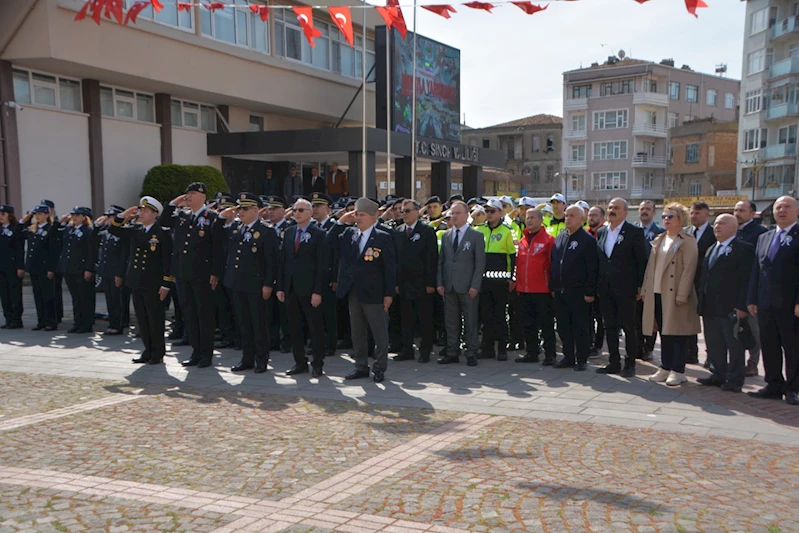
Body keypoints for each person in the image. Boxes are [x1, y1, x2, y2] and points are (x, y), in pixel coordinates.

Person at [327, 198, 396, 383]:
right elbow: (328, 242)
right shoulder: (349, 234)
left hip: (375, 292)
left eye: (362, 215)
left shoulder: (383, 237)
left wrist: (389, 294)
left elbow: (390, 268)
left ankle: (379, 367)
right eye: (356, 214)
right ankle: (360, 366)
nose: (358, 218)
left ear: (373, 217)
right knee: (357, 332)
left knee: (379, 332)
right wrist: (340, 222)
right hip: (354, 291)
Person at [159, 182, 223, 369]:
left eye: (193, 193)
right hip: (183, 273)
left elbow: (217, 248)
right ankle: (196, 351)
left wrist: (215, 273)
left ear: (203, 196)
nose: (188, 196)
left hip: (202, 274)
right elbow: (163, 221)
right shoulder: (182, 216)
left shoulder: (211, 217)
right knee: (189, 313)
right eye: (187, 193)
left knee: (204, 315)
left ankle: (206, 354)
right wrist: (173, 203)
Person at [746, 196, 799, 405]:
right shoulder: (765, 237)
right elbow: (756, 270)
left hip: (790, 304)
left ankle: (794, 388)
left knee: (793, 347)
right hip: (765, 303)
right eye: (778, 207)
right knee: (769, 346)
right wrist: (752, 298)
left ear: (797, 211)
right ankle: (774, 384)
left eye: (787, 207)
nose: (782, 210)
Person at [217, 193, 278, 374]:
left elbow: (271, 261)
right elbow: (216, 233)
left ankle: (261, 359)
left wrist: (268, 284)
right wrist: (221, 217)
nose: (240, 212)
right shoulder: (236, 228)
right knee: (243, 323)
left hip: (256, 284)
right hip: (237, 283)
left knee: (258, 323)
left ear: (256, 210)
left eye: (245, 208)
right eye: (239, 208)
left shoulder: (266, 231)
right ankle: (247, 358)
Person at [642, 202, 701, 387]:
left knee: (678, 333)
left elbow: (689, 269)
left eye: (670, 216)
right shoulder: (660, 238)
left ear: (681, 219)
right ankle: (665, 367)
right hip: (657, 291)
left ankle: (678, 370)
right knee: (664, 331)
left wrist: (682, 294)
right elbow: (650, 267)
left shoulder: (687, 240)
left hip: (675, 293)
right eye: (664, 216)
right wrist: (645, 289)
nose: (666, 219)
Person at [109, 198, 173, 364]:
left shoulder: (162, 232)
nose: (141, 213)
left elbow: (168, 261)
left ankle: (157, 353)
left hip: (154, 283)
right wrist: (124, 215)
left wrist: (166, 284)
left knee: (155, 319)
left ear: (155, 214)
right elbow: (113, 229)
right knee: (142, 319)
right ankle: (147, 350)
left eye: (146, 211)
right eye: (141, 210)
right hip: (136, 281)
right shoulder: (136, 230)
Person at [697, 214, 754, 393]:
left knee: (734, 345)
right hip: (710, 306)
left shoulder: (743, 248)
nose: (717, 226)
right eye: (715, 223)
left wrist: (742, 306)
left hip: (730, 307)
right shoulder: (712, 248)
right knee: (714, 343)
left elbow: (746, 279)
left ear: (733, 227)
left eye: (721, 223)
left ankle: (735, 379)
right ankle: (718, 374)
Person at [594, 198, 649, 377]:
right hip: (606, 288)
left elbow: (641, 260)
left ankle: (630, 364)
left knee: (629, 327)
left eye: (616, 208)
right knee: (609, 326)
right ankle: (614, 362)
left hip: (626, 288)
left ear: (625, 212)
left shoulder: (634, 232)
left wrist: (640, 285)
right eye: (610, 207)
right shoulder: (602, 232)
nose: (612, 210)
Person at [277, 198, 328, 377]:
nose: (296, 213)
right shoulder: (289, 232)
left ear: (310, 212)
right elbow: (283, 261)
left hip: (310, 289)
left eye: (301, 210)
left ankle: (318, 363)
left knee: (315, 327)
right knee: (294, 327)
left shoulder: (319, 234)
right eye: (294, 210)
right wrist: (281, 286)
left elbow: (322, 265)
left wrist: (318, 291)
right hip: (291, 288)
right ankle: (300, 362)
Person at [549, 205, 598, 371]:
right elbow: (554, 262)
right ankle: (568, 356)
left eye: (572, 215)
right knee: (563, 326)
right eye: (566, 215)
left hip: (578, 292)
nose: (568, 218)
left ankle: (581, 359)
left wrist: (590, 291)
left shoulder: (587, 240)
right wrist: (553, 286)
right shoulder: (560, 237)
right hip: (560, 291)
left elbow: (592, 268)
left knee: (580, 327)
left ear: (582, 219)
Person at [436, 202, 486, 367]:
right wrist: (440, 283)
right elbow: (441, 261)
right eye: (453, 213)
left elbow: (479, 264)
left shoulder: (476, 236)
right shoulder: (446, 235)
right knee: (451, 322)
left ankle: (471, 352)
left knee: (470, 321)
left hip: (468, 286)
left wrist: (475, 285)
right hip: (449, 285)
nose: (454, 216)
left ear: (466, 215)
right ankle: (452, 352)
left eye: (458, 213)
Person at [393, 199, 439, 363]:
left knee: (425, 319)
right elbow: (396, 259)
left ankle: (425, 350)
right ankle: (407, 350)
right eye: (402, 211)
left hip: (422, 283)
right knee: (406, 319)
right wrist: (396, 283)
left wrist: (430, 283)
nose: (404, 214)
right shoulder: (398, 231)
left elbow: (432, 258)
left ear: (417, 212)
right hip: (405, 283)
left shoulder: (426, 231)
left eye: (407, 211)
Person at [512, 209, 556, 364]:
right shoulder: (522, 240)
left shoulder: (549, 240)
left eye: (532, 217)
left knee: (546, 324)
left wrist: (552, 286)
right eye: (527, 217)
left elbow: (552, 265)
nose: (529, 220)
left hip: (542, 289)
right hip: (524, 289)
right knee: (527, 323)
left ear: (540, 220)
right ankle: (532, 352)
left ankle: (550, 354)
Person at [475, 198, 516, 361]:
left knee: (499, 316)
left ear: (500, 212)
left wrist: (513, 278)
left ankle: (502, 349)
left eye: (492, 211)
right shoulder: (479, 230)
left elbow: (514, 257)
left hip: (500, 282)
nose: (489, 214)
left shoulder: (508, 231)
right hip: (483, 281)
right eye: (487, 211)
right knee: (486, 316)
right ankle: (487, 348)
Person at [734, 199, 768, 378]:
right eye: (736, 210)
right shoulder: (732, 230)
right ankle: (735, 362)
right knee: (735, 329)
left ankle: (753, 363)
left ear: (752, 213)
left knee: (754, 330)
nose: (737, 213)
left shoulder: (760, 233)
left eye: (742, 210)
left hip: (751, 288)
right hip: (733, 288)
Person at [58, 207, 96, 334]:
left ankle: (86, 324)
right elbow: (56, 236)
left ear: (84, 217)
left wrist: (89, 269)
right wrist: (61, 222)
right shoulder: (69, 229)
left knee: (85, 297)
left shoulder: (88, 230)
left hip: (82, 268)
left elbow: (91, 252)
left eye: (78, 215)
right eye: (73, 215)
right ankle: (78, 322)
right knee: (76, 298)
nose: (74, 217)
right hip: (70, 268)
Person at [686, 200, 715, 366]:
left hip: (705, 284)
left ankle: (712, 357)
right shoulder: (686, 232)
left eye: (697, 213)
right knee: (688, 319)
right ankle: (691, 353)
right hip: (688, 283)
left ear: (707, 214)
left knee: (709, 324)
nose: (693, 216)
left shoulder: (713, 233)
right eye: (692, 213)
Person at [22, 205, 60, 331]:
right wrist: (26, 219)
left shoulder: (51, 228)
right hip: (34, 267)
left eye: (40, 214)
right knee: (37, 295)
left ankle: (51, 322)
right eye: (36, 214)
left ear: (47, 215)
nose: (37, 216)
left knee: (48, 295)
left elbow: (53, 251)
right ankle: (41, 321)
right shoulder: (33, 228)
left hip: (45, 267)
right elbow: (19, 232)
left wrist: (51, 268)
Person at [94, 205, 130, 335]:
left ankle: (119, 324)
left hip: (117, 272)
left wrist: (120, 274)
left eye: (112, 217)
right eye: (108, 217)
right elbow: (93, 237)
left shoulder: (124, 233)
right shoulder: (105, 232)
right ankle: (112, 323)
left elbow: (123, 256)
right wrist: (97, 225)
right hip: (106, 271)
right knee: (109, 299)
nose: (109, 219)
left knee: (118, 300)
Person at [636, 199, 665, 362]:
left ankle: (649, 348)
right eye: (642, 209)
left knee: (650, 317)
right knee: (636, 316)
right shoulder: (633, 230)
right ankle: (638, 347)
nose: (644, 211)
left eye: (648, 209)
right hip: (636, 280)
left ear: (654, 212)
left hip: (653, 280)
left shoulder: (660, 232)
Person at [311, 193, 338, 357]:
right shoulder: (312, 227)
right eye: (313, 206)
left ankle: (330, 344)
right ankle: (318, 343)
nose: (315, 209)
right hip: (314, 277)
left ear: (328, 209)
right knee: (316, 314)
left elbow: (336, 255)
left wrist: (335, 278)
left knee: (329, 313)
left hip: (328, 277)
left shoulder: (333, 227)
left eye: (318, 206)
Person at [0, 205, 25, 329]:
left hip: (13, 266)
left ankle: (16, 319)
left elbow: (19, 249)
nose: (0, 216)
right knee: (4, 294)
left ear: (9, 216)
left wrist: (20, 266)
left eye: (3, 214)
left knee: (14, 294)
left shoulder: (15, 229)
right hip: (1, 267)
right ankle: (8, 318)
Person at [586, 205, 606, 358]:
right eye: (590, 215)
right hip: (586, 282)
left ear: (602, 218)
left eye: (595, 215)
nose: (591, 218)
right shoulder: (585, 234)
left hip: (601, 283)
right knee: (587, 316)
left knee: (600, 317)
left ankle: (598, 345)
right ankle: (588, 342)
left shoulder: (605, 234)